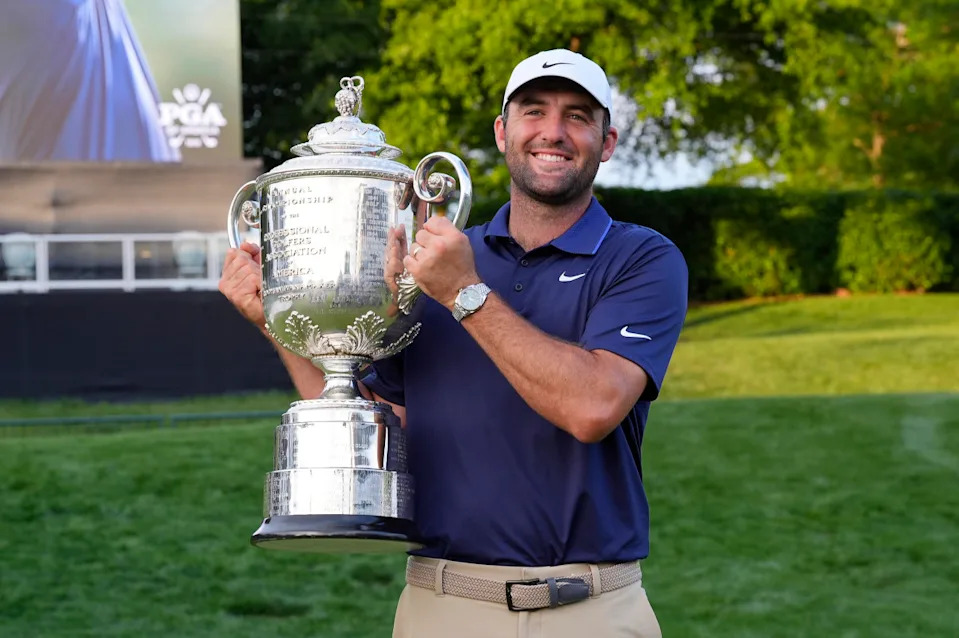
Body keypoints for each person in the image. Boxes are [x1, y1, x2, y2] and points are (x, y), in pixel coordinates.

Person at [220, 48, 688, 638]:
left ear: (608, 140)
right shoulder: (431, 261)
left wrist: (465, 293)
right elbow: (380, 422)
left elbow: (593, 406)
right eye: (534, 111)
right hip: (444, 608)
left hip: (591, 610)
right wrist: (280, 323)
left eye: (577, 116)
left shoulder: (640, 257)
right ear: (502, 132)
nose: (553, 131)